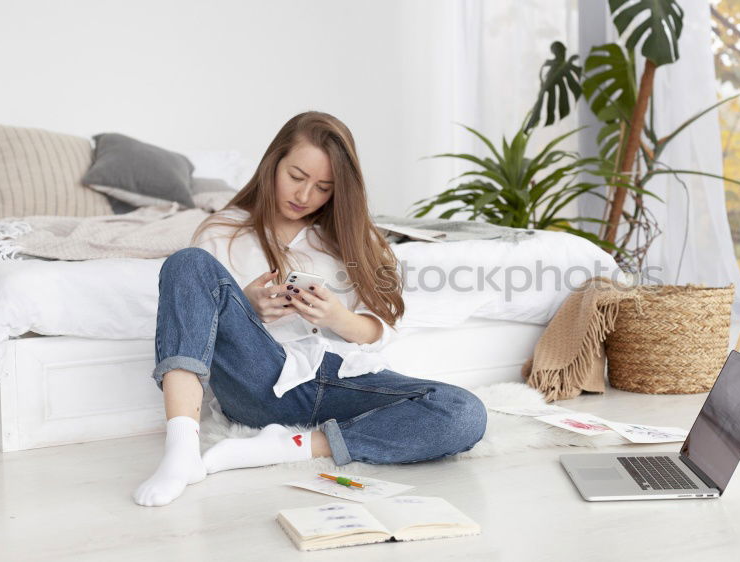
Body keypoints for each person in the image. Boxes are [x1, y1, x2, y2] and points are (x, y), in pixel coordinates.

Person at [133, 111, 487, 507]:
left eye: (322, 187)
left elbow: (380, 330)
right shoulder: (223, 231)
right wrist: (246, 307)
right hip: (260, 379)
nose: (304, 196)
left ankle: (291, 446)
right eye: (297, 177)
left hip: (340, 377)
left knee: (464, 412)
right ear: (273, 164)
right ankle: (181, 450)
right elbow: (196, 319)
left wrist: (337, 317)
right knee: (187, 262)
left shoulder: (355, 239)